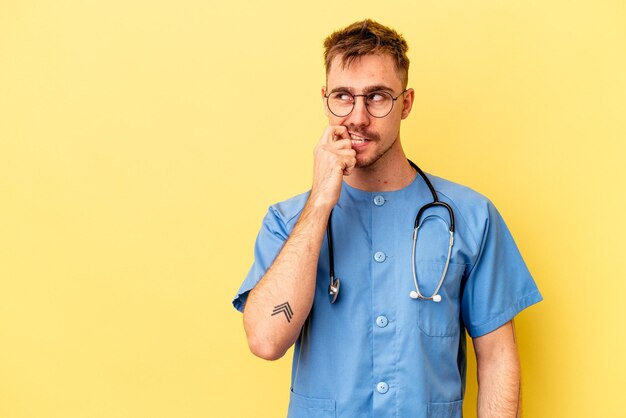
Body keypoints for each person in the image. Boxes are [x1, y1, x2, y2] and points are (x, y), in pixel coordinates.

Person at [232, 19, 542, 418]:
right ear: (326, 99)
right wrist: (321, 203)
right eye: (344, 96)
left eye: (377, 97)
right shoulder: (287, 220)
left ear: (406, 103)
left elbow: (498, 358)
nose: (357, 117)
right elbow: (266, 341)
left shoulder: (470, 216)